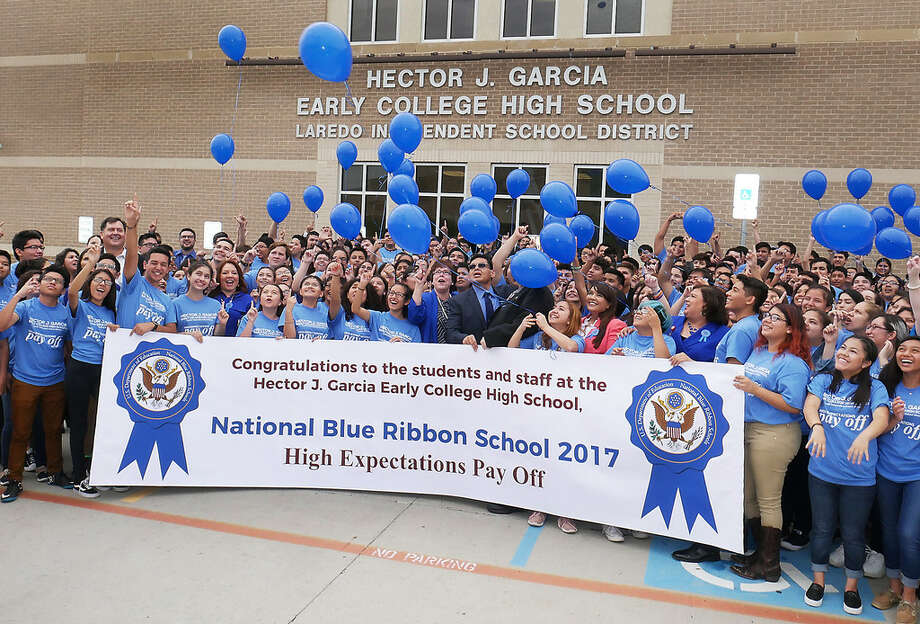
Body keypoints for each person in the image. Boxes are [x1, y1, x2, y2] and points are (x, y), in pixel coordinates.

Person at [802, 336, 890, 616]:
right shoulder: (824, 380)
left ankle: (851, 588)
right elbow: (810, 406)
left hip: (859, 477)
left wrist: (865, 436)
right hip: (821, 471)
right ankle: (818, 582)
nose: (843, 352)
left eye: (852, 351)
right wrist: (816, 426)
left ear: (866, 362)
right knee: (822, 529)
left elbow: (881, 419)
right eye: (843, 348)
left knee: (853, 535)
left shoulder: (875, 387)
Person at [728, 303, 811, 581]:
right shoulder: (759, 351)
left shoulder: (793, 363)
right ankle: (758, 554)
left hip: (774, 434)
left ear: (790, 328)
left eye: (776, 318)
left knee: (768, 501)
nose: (767, 320)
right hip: (748, 428)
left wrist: (756, 389)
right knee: (749, 498)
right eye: (767, 316)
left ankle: (770, 564)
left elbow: (793, 404)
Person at [0, 265, 74, 502]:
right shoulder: (25, 307)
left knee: (53, 431)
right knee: (21, 432)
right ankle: (14, 479)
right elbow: (1, 326)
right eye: (48, 279)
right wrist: (19, 294)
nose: (53, 283)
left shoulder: (65, 314)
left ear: (63, 289)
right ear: (39, 284)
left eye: (58, 281)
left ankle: (55, 472)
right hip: (25, 380)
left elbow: (69, 347)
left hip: (55, 381)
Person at [65, 246, 118, 497]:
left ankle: (99, 468)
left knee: (103, 421)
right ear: (91, 282)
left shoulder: (110, 311)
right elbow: (72, 290)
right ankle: (78, 475)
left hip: (102, 370)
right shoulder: (81, 305)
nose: (103, 285)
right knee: (78, 422)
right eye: (99, 280)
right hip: (78, 368)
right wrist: (91, 264)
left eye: (107, 283)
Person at [875, 337, 920, 623]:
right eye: (902, 349)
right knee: (889, 532)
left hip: (917, 475)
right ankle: (893, 589)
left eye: (915, 351)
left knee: (908, 535)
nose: (906, 354)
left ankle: (909, 597)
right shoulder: (885, 387)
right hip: (885, 470)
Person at [116, 195, 172, 333]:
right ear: (145, 265)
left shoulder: (167, 300)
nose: (158, 268)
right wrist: (131, 225)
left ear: (168, 269)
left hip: (150, 353)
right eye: (154, 263)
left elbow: (172, 331)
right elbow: (131, 254)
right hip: (122, 348)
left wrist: (153, 325)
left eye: (163, 265)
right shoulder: (134, 283)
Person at [444, 254, 514, 346]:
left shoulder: (506, 294)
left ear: (492, 273)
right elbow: (450, 333)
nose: (476, 268)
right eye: (472, 267)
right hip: (474, 355)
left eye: (481, 265)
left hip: (505, 354)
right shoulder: (457, 301)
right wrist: (464, 338)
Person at [668, 285, 729, 365]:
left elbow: (725, 369)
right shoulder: (672, 322)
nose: (687, 299)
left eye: (693, 296)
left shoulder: (723, 333)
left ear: (707, 305)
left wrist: (693, 364)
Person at [165, 261, 226, 339]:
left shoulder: (216, 305)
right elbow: (170, 335)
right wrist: (187, 335)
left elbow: (218, 338)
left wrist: (222, 324)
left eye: (207, 276)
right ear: (188, 276)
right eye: (198, 274)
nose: (202, 279)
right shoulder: (175, 304)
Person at [714, 275, 767, 364]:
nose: (728, 293)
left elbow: (733, 369)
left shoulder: (741, 329)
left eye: (735, 290)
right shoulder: (753, 322)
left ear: (750, 300)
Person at [352, 279, 420, 343]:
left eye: (399, 294)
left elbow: (416, 352)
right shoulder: (377, 317)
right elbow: (355, 309)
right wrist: (361, 286)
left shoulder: (414, 329)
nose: (393, 297)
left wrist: (402, 347)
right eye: (391, 293)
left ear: (407, 301)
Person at [606, 300, 676, 358]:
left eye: (645, 311)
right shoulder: (625, 336)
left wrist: (656, 327)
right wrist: (616, 357)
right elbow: (606, 359)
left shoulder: (667, 340)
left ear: (658, 319)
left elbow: (663, 362)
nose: (638, 313)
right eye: (638, 310)